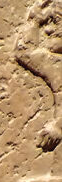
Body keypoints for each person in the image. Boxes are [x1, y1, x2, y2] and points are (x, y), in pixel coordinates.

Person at [16, 0, 62, 154]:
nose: (48, 30)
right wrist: (35, 21)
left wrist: (58, 127)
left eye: (55, 21)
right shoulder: (56, 64)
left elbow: (24, 52)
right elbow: (24, 52)